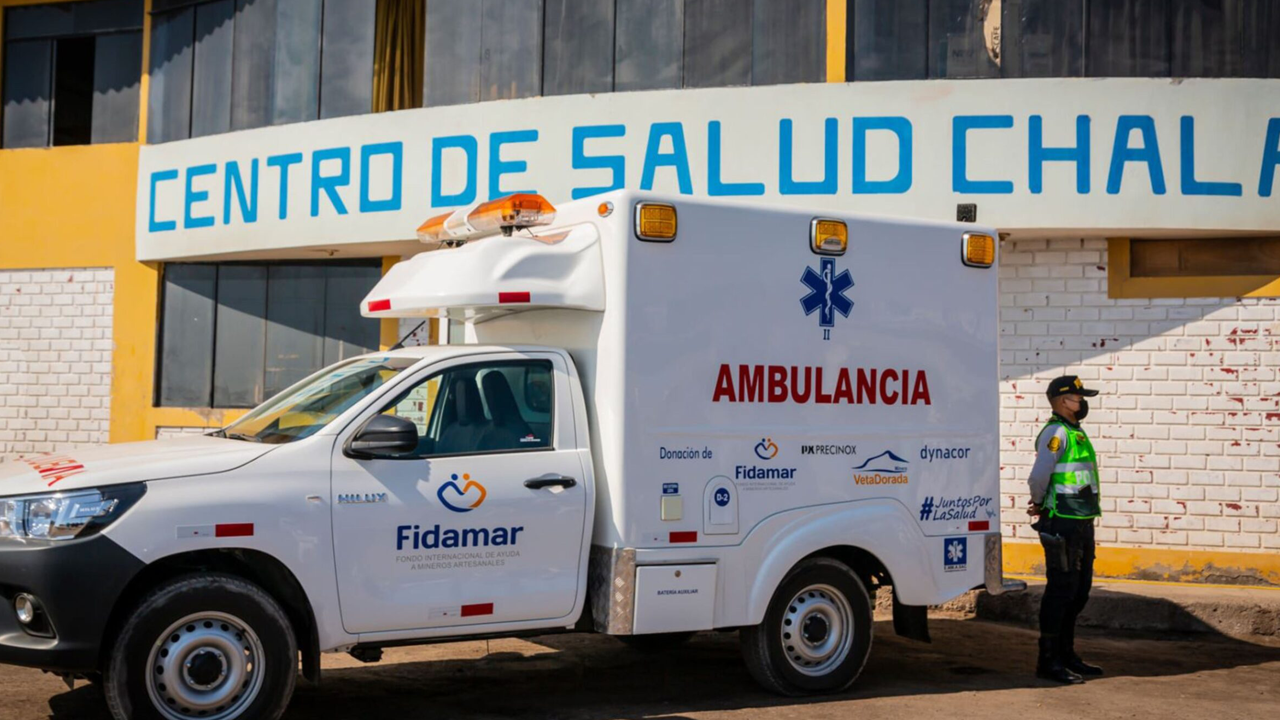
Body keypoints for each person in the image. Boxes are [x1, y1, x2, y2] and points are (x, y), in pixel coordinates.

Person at [1027, 375, 1104, 684]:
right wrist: (1039, 502)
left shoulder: (1075, 432)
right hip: (1061, 521)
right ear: (1062, 402)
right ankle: (1048, 660)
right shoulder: (1056, 432)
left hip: (1082, 522)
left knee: (1079, 591)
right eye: (1077, 398)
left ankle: (1066, 654)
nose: (1082, 402)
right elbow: (1039, 475)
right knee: (1061, 591)